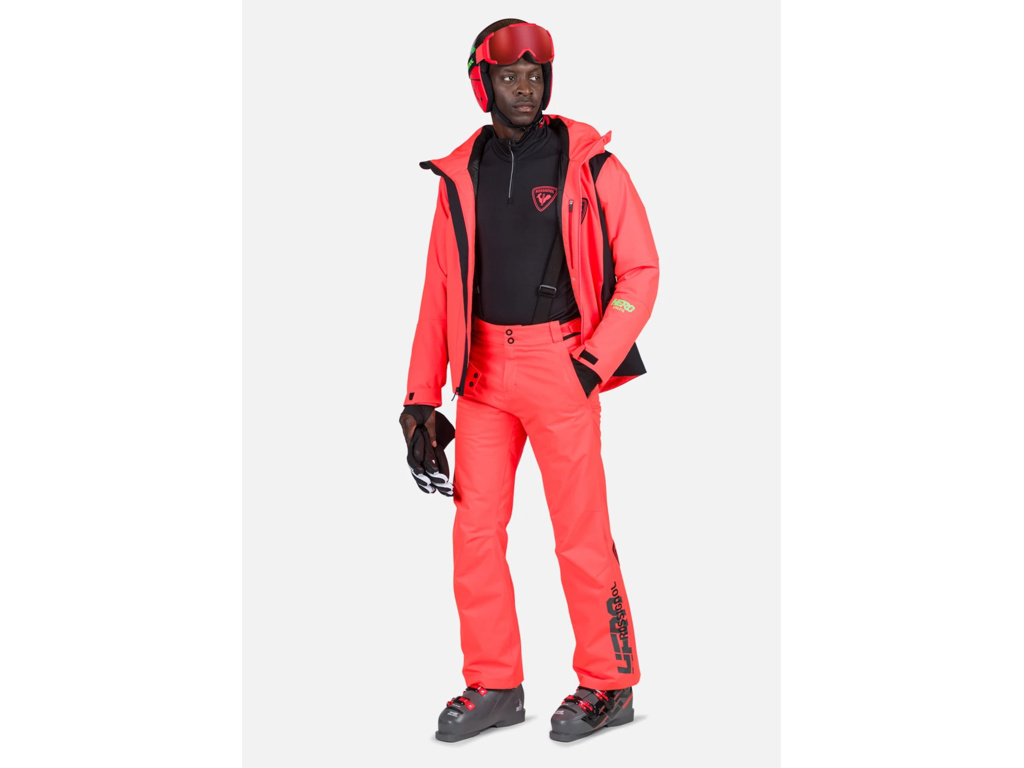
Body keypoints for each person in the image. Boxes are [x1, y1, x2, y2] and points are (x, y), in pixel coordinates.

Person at [399, 19, 659, 743]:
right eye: (510, 76)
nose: (525, 88)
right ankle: (495, 684)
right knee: (475, 532)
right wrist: (420, 400)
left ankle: (609, 683)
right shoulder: (460, 176)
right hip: (482, 376)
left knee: (580, 533)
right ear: (482, 83)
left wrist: (592, 362)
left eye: (536, 76)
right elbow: (438, 291)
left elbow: (642, 271)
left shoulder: (591, 165)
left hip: (561, 367)